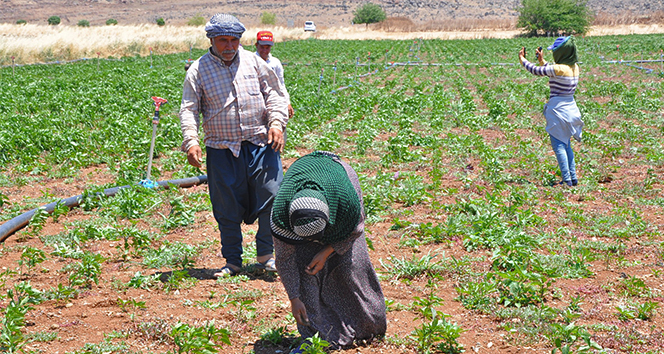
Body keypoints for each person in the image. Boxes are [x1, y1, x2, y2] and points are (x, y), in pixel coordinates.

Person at [179, 13, 289, 277]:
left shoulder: (255, 62)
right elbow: (189, 108)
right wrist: (191, 140)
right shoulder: (198, 69)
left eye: (234, 40)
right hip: (221, 148)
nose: (229, 46)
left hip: (260, 143)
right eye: (223, 41)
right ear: (212, 40)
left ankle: (265, 256)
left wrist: (276, 123)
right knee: (225, 206)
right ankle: (233, 261)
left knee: (272, 196)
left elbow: (275, 94)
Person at [270, 151, 387, 352]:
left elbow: (355, 230)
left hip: (337, 181)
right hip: (308, 203)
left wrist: (327, 251)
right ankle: (319, 337)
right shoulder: (281, 216)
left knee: (350, 267)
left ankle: (368, 325)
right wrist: (294, 298)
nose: (312, 242)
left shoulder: (347, 202)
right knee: (305, 267)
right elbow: (285, 258)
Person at [519, 36, 584, 187]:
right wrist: (542, 60)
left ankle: (566, 180)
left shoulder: (559, 69)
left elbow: (535, 70)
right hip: (571, 108)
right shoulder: (574, 67)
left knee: (558, 145)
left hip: (558, 111)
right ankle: (573, 178)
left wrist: (522, 59)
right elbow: (551, 70)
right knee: (566, 144)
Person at [255, 30, 294, 119]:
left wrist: (287, 102)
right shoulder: (250, 61)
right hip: (256, 104)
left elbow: (281, 84)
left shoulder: (275, 63)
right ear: (256, 45)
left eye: (267, 47)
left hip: (273, 102)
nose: (265, 50)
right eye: (262, 47)